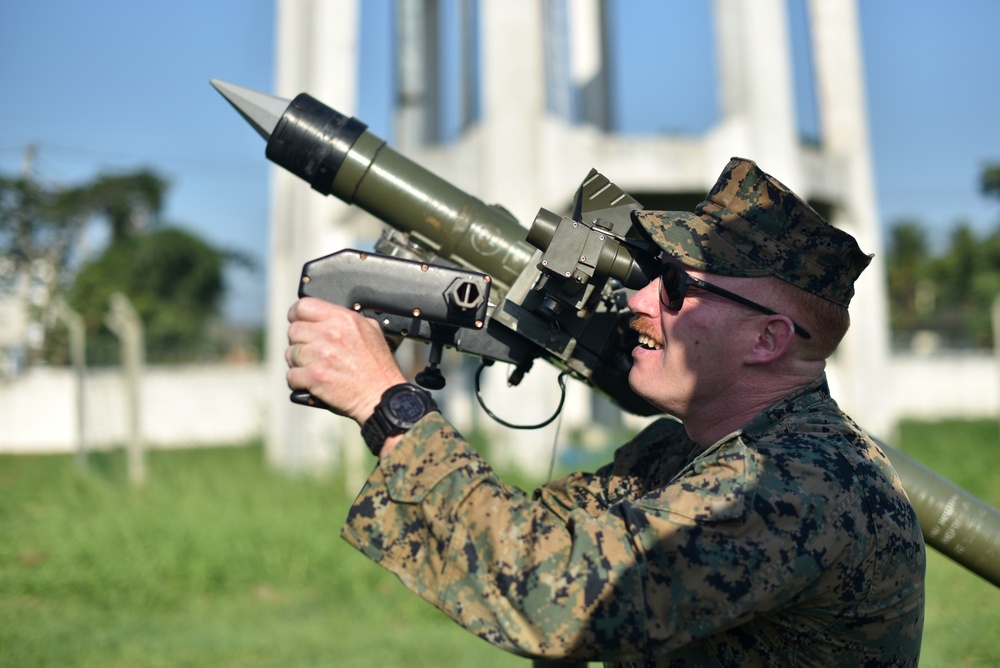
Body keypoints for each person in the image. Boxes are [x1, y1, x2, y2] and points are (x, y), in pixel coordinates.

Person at [285, 157, 925, 666]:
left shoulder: (795, 485)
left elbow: (555, 597)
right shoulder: (682, 451)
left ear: (768, 339)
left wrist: (388, 402)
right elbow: (530, 535)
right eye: (653, 275)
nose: (639, 300)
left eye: (676, 287)